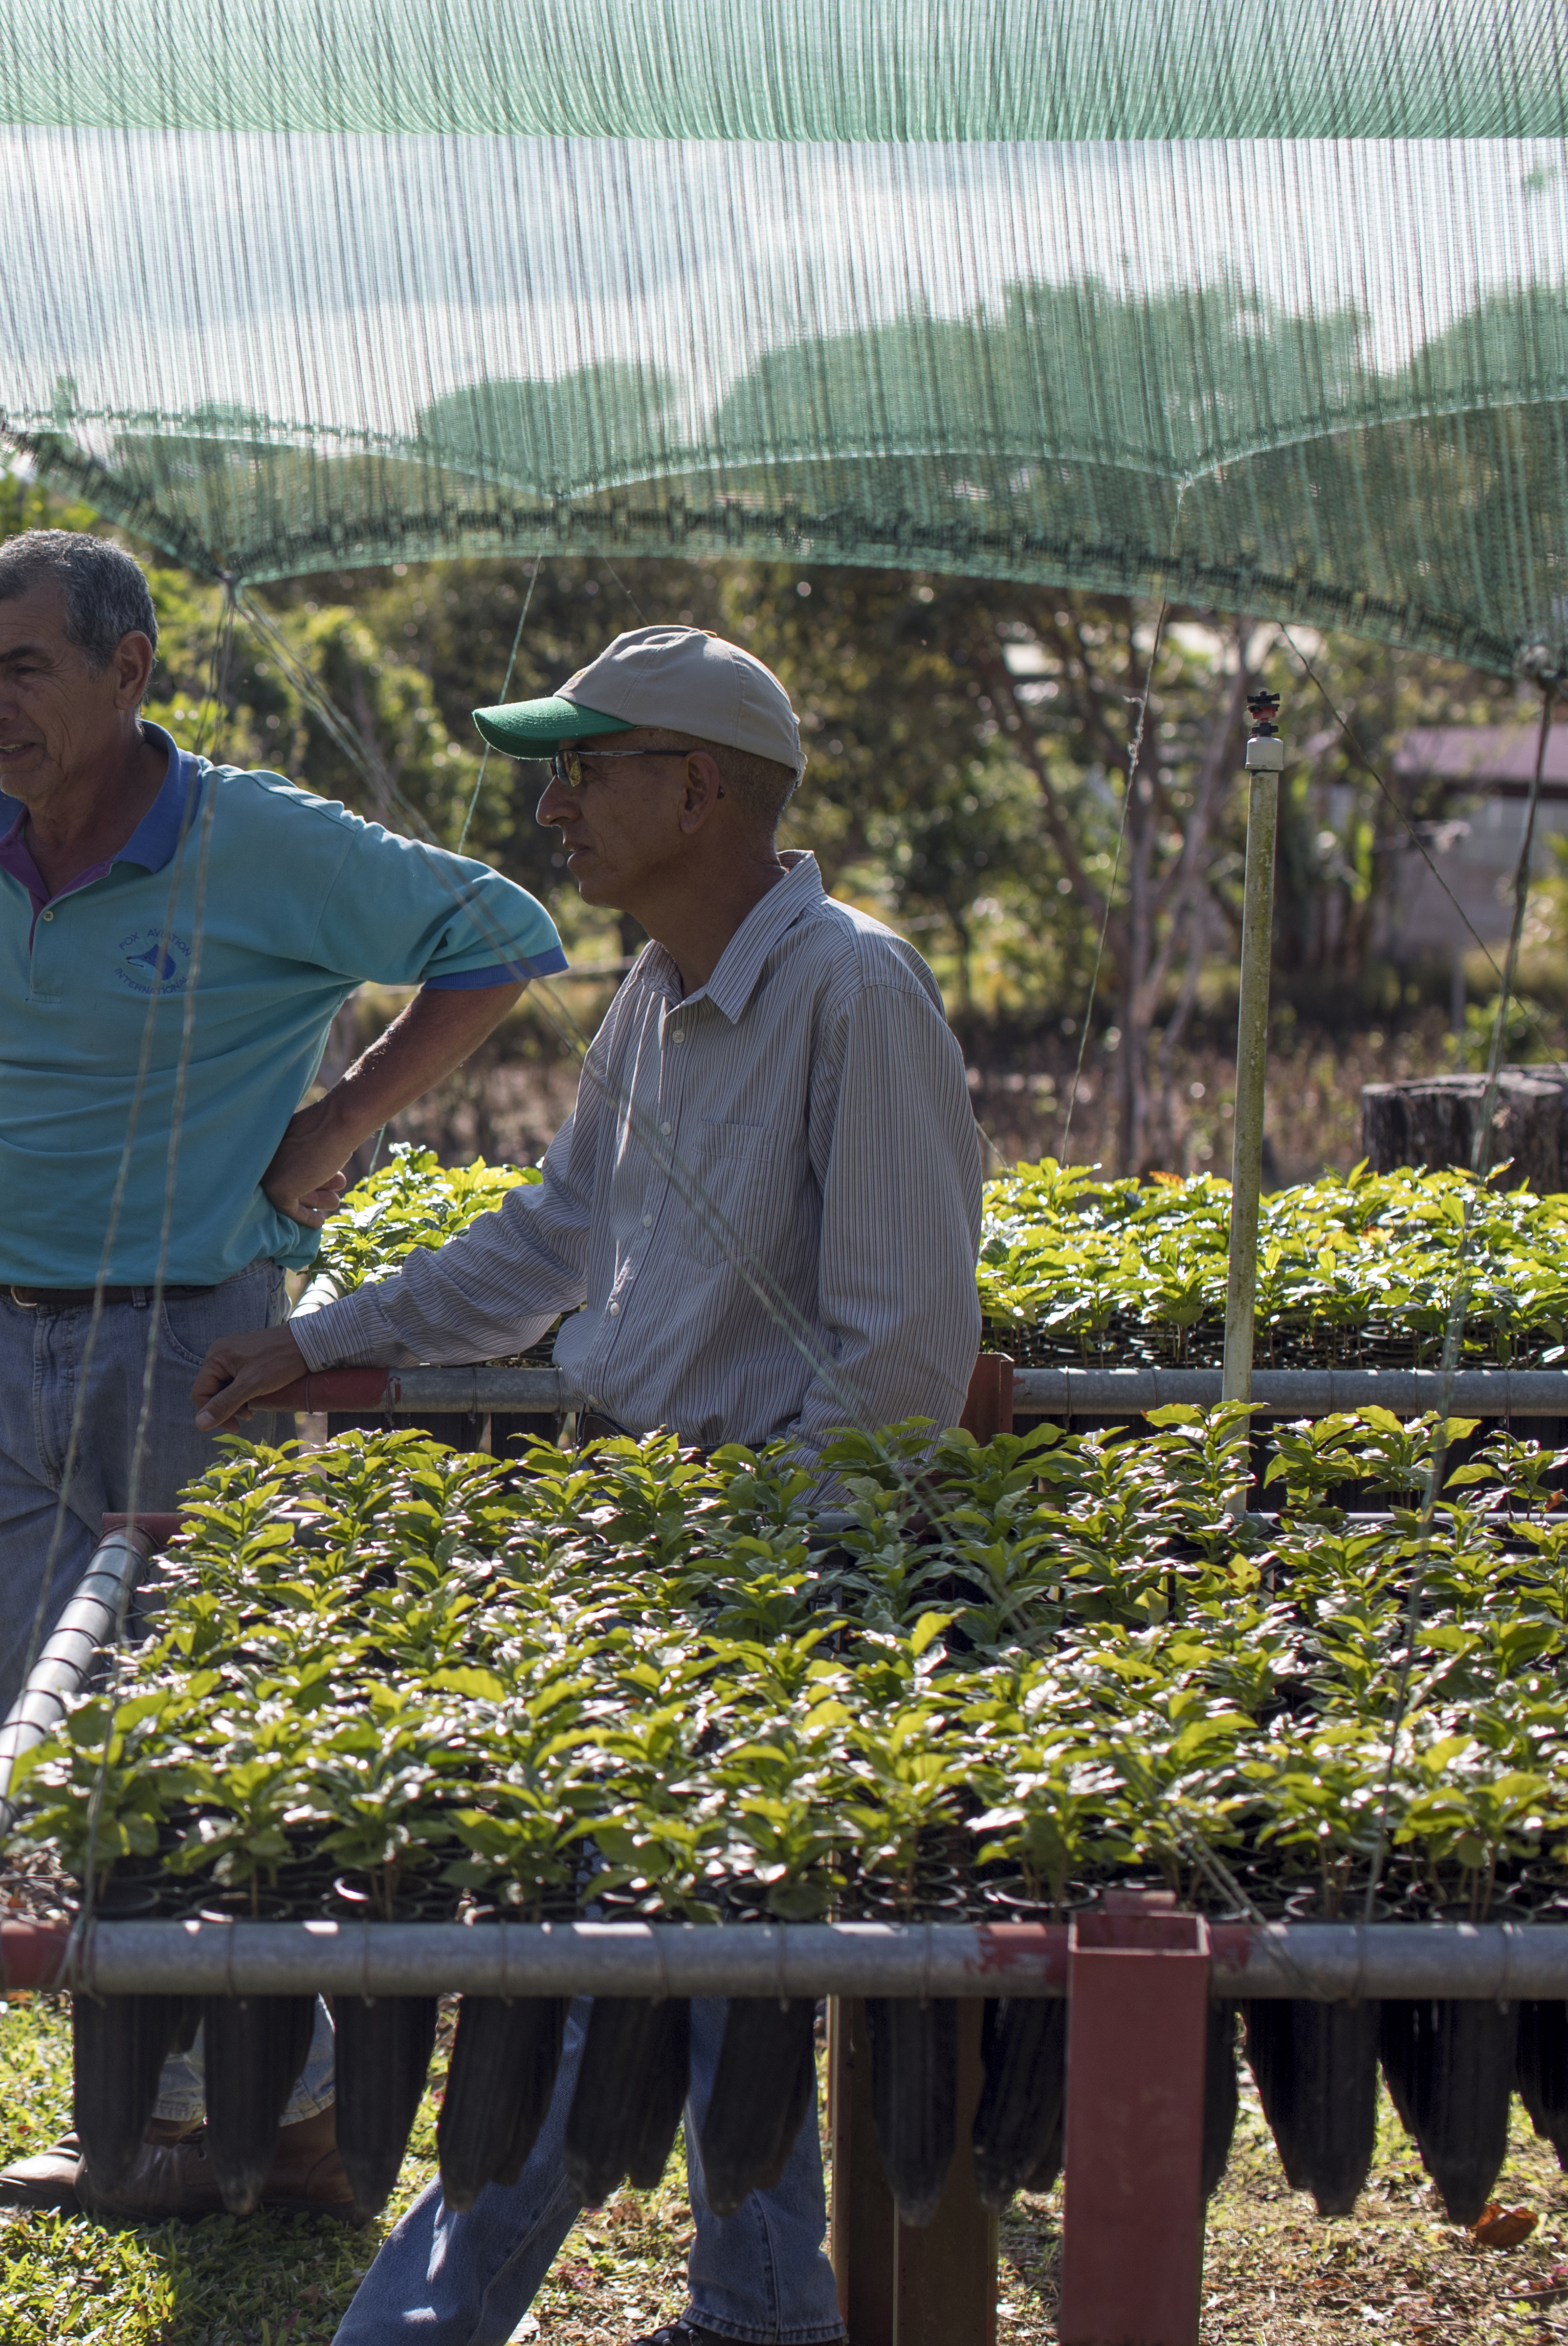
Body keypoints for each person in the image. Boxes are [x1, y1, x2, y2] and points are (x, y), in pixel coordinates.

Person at [191, 623, 988, 2346]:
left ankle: (451, 2324)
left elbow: (903, 1359)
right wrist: (331, 1333)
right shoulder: (654, 996)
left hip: (769, 1581)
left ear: (697, 789)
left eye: (586, 765)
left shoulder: (853, 992)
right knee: (687, 1987)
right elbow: (560, 1239)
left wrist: (747, 1590)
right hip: (653, 1555)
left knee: (620, 1985)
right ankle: (747, 2316)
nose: (554, 804)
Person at [0, 529, 565, 2216]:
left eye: (28, 666)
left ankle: (272, 2121)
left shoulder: (252, 841)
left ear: (129, 669)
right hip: (0, 1332)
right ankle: (184, 2112)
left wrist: (333, 1129)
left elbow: (505, 934)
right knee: (52, 1734)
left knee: (181, 1738)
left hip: (188, 1340)